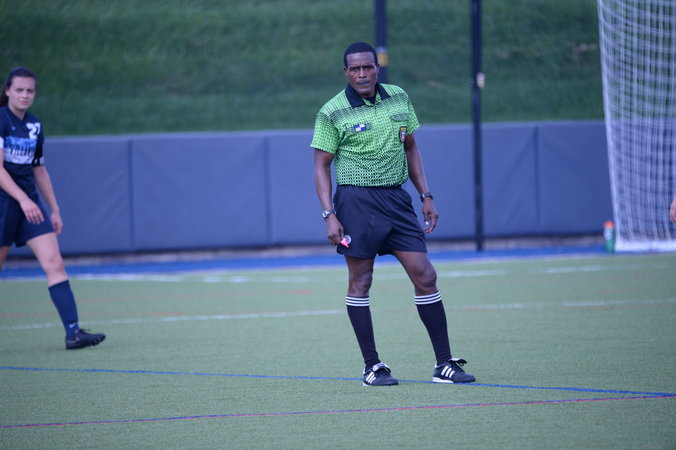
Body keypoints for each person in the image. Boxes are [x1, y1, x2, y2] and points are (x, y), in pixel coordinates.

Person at [311, 42, 475, 386]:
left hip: (398, 201)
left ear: (377, 67)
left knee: (425, 275)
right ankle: (372, 366)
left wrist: (425, 196)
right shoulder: (332, 111)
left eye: (367, 67)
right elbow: (321, 166)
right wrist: (329, 214)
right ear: (345, 72)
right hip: (356, 203)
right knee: (361, 281)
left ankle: (444, 364)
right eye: (354, 69)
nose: (361, 74)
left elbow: (411, 148)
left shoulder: (399, 97)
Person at [0, 67, 105, 350]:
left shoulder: (34, 125)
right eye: (19, 90)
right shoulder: (0, 120)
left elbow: (39, 170)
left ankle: (73, 333)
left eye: (30, 90)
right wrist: (22, 199)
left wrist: (54, 209)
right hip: (5, 202)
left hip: (30, 205)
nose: (25, 95)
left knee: (54, 263)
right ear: (7, 91)